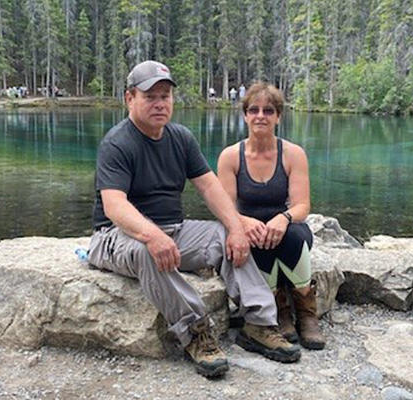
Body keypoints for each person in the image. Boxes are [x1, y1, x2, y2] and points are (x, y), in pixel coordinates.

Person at [88, 61, 300, 378]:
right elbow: (114, 206)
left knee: (222, 236)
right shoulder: (118, 143)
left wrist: (235, 227)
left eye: (165, 96)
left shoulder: (180, 138)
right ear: (129, 98)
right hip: (116, 236)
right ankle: (197, 333)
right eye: (150, 97)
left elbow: (209, 186)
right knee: (148, 251)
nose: (160, 103)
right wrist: (152, 236)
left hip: (174, 230)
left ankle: (258, 324)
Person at [217, 82, 326, 350]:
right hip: (251, 230)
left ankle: (306, 311)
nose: (260, 116)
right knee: (255, 237)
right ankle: (280, 309)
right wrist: (243, 222)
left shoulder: (293, 154)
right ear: (245, 115)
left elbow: (302, 206)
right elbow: (224, 207)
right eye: (253, 110)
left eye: (268, 111)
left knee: (292, 235)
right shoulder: (231, 157)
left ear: (278, 116)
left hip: (287, 228)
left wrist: (283, 218)